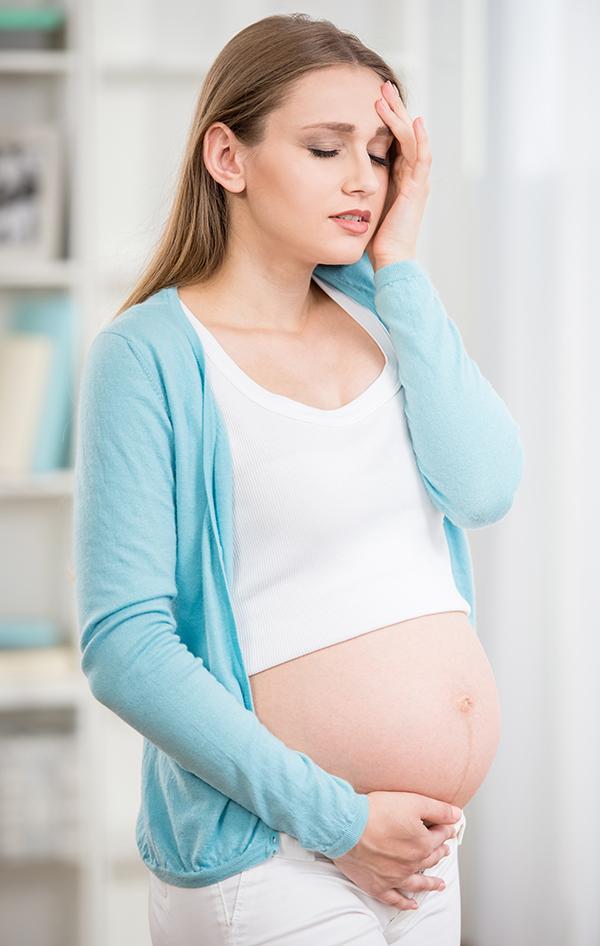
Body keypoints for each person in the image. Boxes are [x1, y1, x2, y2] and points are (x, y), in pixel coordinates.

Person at [74, 13, 523, 946]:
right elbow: (125, 646)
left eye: (379, 149)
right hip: (274, 856)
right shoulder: (149, 355)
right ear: (228, 158)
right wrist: (340, 821)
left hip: (422, 853)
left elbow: (483, 487)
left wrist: (397, 268)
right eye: (326, 148)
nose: (363, 178)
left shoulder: (383, 316)